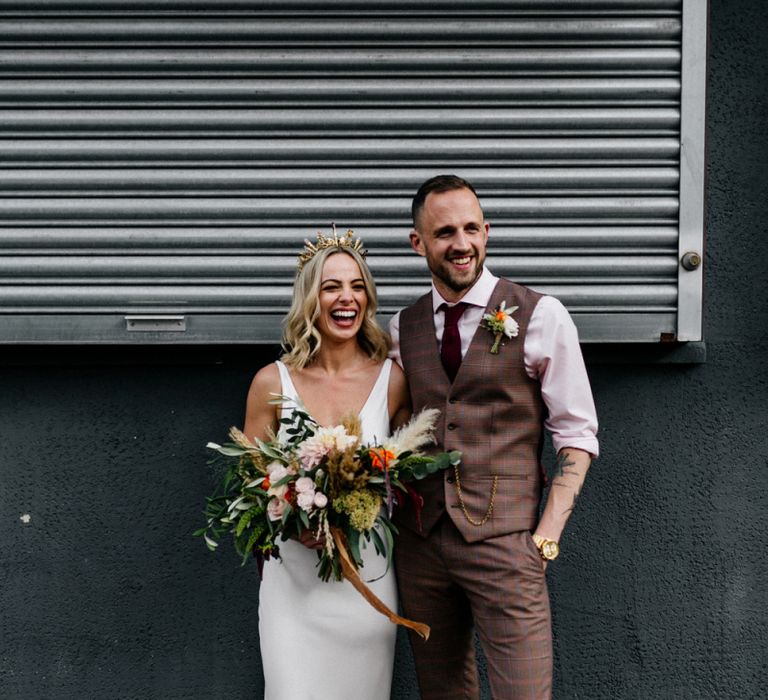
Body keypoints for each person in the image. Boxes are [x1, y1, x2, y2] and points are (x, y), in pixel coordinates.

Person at [389, 175, 599, 699]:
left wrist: (544, 537)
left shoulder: (541, 315)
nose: (461, 244)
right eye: (443, 233)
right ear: (418, 243)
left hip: (507, 543)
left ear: (487, 232)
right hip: (421, 546)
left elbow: (576, 434)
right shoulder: (401, 327)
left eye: (470, 229)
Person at [244, 230, 410, 700]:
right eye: (331, 286)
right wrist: (291, 519)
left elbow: (408, 479)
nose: (346, 298)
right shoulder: (269, 383)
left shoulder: (393, 381)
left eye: (357, 286)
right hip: (293, 590)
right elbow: (249, 486)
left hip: (367, 584)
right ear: (310, 298)